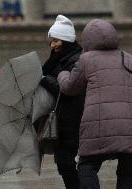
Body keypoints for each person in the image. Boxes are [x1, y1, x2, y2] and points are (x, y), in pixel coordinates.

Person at [57, 19, 132, 189]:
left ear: (88, 39)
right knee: (127, 169)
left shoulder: (86, 59)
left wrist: (62, 74)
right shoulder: (128, 58)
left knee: (86, 167)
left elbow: (70, 88)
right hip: (131, 125)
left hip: (99, 125)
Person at [40, 15, 84, 189]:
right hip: (63, 118)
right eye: (51, 41)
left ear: (66, 40)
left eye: (56, 41)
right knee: (64, 163)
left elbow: (66, 88)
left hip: (74, 119)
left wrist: (43, 79)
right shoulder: (57, 58)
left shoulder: (76, 60)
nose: (52, 45)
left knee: (66, 162)